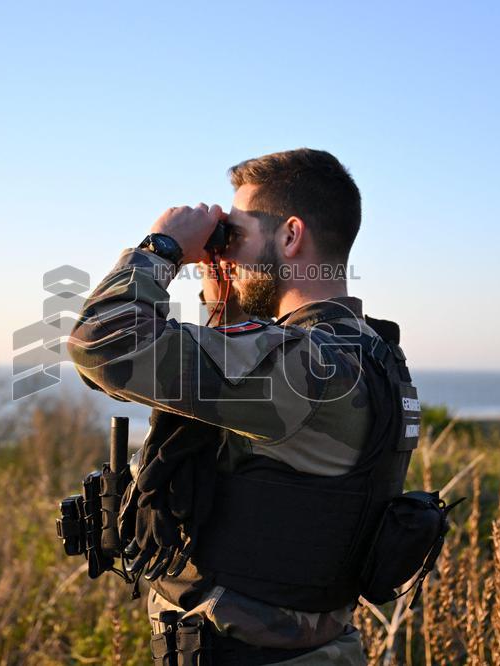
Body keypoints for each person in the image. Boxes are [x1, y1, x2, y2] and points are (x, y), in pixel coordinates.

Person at [68, 148, 417, 665]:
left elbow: (104, 342)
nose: (224, 253)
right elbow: (234, 400)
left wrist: (162, 247)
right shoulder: (367, 355)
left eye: (234, 237)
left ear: (291, 236)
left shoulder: (309, 368)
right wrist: (223, 299)